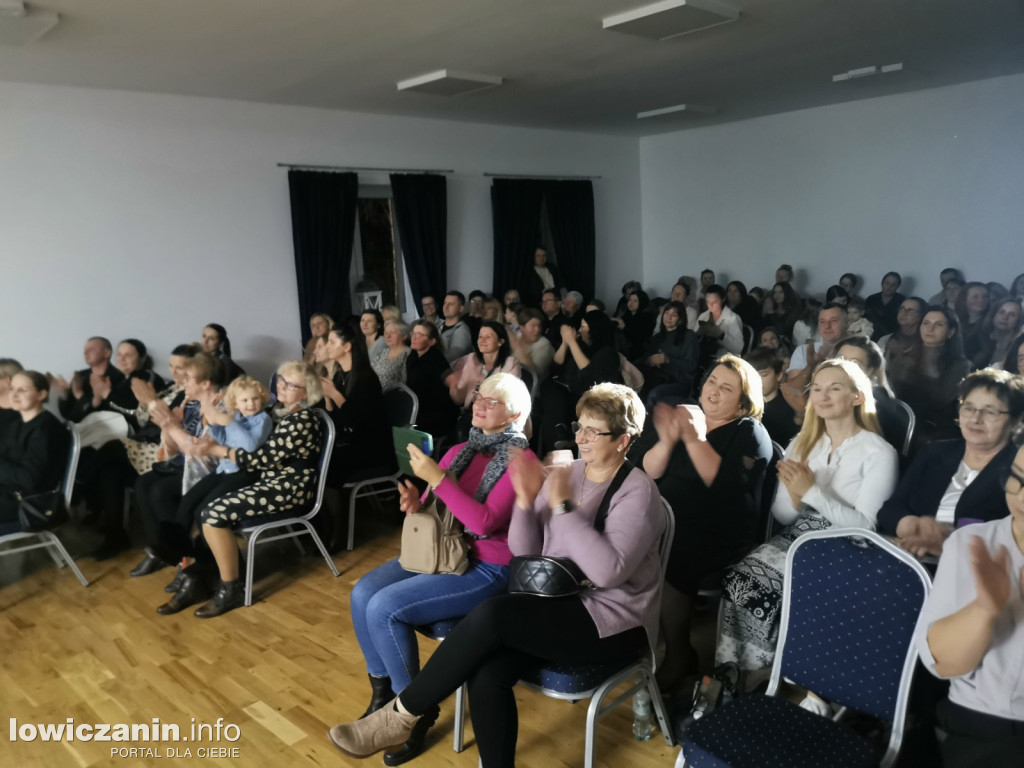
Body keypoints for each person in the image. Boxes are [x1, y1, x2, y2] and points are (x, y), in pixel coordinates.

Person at [327, 383, 665, 767]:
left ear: (624, 440)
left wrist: (563, 508)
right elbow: (524, 549)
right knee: (486, 671)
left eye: (593, 431)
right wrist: (525, 500)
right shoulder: (569, 472)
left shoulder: (638, 491)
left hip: (612, 622)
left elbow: (608, 572)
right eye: (579, 426)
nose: (581, 438)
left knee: (492, 614)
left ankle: (402, 715)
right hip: (557, 603)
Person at [347, 374, 532, 764]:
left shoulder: (521, 461)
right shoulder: (459, 451)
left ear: (514, 413)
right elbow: (438, 510)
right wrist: (417, 502)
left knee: (385, 608)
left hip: (487, 566)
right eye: (480, 395)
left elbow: (482, 524)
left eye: (493, 401)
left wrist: (438, 480)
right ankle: (384, 699)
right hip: (440, 552)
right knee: (362, 592)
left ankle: (413, 712)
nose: (480, 403)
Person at [716, 359, 898, 674]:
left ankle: (770, 671)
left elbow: (866, 528)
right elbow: (784, 516)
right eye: (817, 389)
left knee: (770, 587)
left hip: (848, 544)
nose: (823, 395)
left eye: (835, 388)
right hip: (801, 535)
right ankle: (736, 671)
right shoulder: (801, 443)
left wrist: (812, 492)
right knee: (739, 577)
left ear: (857, 396)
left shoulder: (879, 452)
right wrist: (798, 498)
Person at [639, 355, 772, 689]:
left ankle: (679, 652)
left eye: (726, 388)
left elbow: (725, 486)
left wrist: (694, 438)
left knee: (673, 552)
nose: (713, 391)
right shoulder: (688, 414)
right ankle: (628, 639)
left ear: (743, 404)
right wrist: (669, 440)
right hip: (668, 517)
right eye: (712, 381)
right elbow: (648, 471)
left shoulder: (749, 432)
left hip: (719, 531)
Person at [180, 361, 325, 618]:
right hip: (270, 481)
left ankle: (230, 589)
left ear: (306, 392)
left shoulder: (303, 418)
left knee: (212, 514)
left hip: (289, 488)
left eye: (291, 385)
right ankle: (207, 575)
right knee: (204, 508)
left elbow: (261, 459)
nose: (282, 386)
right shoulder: (277, 410)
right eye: (281, 380)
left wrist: (218, 450)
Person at [913, 440, 1024, 766]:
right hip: (979, 723)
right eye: (1017, 477)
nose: (1019, 496)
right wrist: (984, 610)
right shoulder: (974, 545)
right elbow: (942, 663)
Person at [132, 375, 274, 592]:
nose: (251, 404)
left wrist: (228, 421)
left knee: (203, 511)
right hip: (224, 470)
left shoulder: (262, 419)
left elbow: (249, 446)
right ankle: (179, 553)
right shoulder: (239, 418)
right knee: (189, 499)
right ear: (237, 403)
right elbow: (223, 440)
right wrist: (213, 423)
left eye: (255, 399)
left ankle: (207, 566)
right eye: (245, 401)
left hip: (245, 474)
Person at [878, 369, 1024, 557]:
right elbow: (890, 509)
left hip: (975, 573)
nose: (975, 419)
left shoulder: (1018, 470)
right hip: (911, 559)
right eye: (968, 408)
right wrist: (911, 525)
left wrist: (946, 546)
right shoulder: (934, 452)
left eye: (990, 412)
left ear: (1016, 421)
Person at [540, 310, 623, 454]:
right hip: (568, 391)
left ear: (594, 329)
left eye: (583, 327)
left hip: (591, 396)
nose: (579, 330)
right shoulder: (579, 346)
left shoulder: (607, 352)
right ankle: (558, 434)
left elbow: (591, 375)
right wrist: (565, 344)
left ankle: (558, 440)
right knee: (548, 387)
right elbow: (555, 367)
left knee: (554, 403)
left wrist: (572, 343)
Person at [321, 324, 393, 485]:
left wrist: (334, 394)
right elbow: (337, 422)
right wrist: (327, 398)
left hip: (372, 447)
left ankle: (333, 508)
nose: (327, 346)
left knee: (326, 462)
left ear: (347, 347)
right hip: (353, 440)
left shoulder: (366, 378)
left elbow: (355, 421)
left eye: (332, 342)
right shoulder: (340, 376)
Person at [890, 306, 971, 447]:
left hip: (934, 430)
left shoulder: (960, 365)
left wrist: (929, 356)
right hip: (900, 421)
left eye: (939, 324)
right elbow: (891, 392)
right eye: (926, 323)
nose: (930, 329)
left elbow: (941, 398)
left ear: (951, 332)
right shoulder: (904, 356)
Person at [0, 372, 70, 535]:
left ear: (41, 394)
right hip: (10, 493)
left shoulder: (45, 429)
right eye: (12, 389)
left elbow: (29, 479)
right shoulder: (18, 423)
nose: (14, 395)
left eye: (22, 390)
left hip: (30, 504)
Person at [830, 335, 907, 458]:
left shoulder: (878, 402)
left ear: (871, 371)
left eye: (855, 363)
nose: (844, 367)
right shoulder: (827, 392)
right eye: (840, 359)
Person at [780, 303, 847, 414]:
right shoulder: (803, 350)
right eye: (822, 322)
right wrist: (811, 366)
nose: (827, 326)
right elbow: (793, 390)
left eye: (834, 321)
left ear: (846, 323)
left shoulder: (858, 351)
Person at [50, 336, 126, 423]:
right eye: (85, 349)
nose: (86, 352)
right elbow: (68, 415)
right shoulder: (80, 376)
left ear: (107, 353)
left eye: (92, 349)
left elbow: (114, 412)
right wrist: (65, 394)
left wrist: (81, 395)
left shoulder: (120, 377)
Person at [405, 320, 458, 444]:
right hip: (419, 407)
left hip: (435, 413)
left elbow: (447, 382)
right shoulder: (413, 355)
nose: (414, 337)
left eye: (420, 335)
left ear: (432, 341)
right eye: (414, 333)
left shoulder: (437, 360)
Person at [639, 301, 699, 405]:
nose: (669, 317)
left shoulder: (689, 336)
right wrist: (650, 361)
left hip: (680, 382)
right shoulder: (658, 337)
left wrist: (668, 360)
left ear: (680, 319)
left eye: (674, 315)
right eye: (666, 313)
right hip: (658, 377)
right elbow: (646, 358)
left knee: (654, 394)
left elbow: (691, 365)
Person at [747, 346, 799, 446]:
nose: (756, 380)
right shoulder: (740, 405)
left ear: (779, 375)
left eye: (763, 375)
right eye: (751, 374)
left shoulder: (789, 411)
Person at [966, 298, 1023, 370]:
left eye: (1012, 315)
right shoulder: (976, 339)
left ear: (1019, 320)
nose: (1005, 318)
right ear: (994, 314)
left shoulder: (1019, 345)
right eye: (1001, 312)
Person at [696, 284, 744, 358]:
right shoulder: (703, 316)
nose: (710, 305)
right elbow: (692, 342)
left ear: (723, 299)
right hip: (703, 357)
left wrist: (721, 335)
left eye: (714, 302)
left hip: (724, 360)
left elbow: (738, 348)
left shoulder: (732, 318)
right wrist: (698, 334)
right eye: (707, 302)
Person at [507, 307, 555, 380]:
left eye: (539, 325)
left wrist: (517, 347)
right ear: (522, 327)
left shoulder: (544, 344)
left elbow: (534, 374)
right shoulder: (517, 337)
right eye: (533, 326)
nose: (537, 329)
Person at [370, 320, 411, 391]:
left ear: (404, 336)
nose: (388, 336)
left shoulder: (409, 354)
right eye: (386, 333)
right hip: (375, 394)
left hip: (396, 398)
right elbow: (370, 374)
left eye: (392, 332)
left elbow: (406, 384)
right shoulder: (382, 353)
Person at [865, 271, 906, 339]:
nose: (889, 287)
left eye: (893, 284)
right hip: (870, 336)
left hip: (892, 338)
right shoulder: (871, 299)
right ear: (882, 283)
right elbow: (865, 319)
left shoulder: (902, 301)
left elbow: (903, 324)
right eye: (887, 283)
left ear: (897, 286)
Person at [617, 289, 656, 361]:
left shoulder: (647, 317)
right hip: (624, 346)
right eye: (630, 300)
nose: (631, 303)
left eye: (635, 301)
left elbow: (639, 337)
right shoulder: (627, 315)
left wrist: (624, 327)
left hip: (638, 349)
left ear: (642, 302)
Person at [439, 292, 473, 364]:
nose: (446, 307)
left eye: (450, 304)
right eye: (445, 303)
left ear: (460, 308)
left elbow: (453, 358)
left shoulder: (462, 331)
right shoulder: (438, 326)